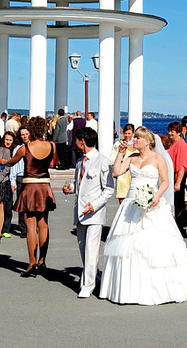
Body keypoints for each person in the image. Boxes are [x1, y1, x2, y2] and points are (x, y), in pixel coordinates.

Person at [99, 127, 187, 305]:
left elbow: (165, 181)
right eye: (134, 138)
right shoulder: (131, 157)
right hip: (132, 203)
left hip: (152, 202)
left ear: (147, 141)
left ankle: (158, 289)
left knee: (154, 245)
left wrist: (157, 196)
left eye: (138, 138)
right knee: (128, 244)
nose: (134, 140)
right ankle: (129, 289)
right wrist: (120, 154)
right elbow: (116, 172)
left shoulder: (158, 158)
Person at [62, 126, 114, 298]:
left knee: (92, 249)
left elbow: (108, 189)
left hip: (95, 213)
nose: (75, 145)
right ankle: (93, 275)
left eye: (76, 141)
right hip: (80, 212)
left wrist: (95, 204)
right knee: (83, 249)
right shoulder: (79, 162)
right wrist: (69, 189)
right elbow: (80, 185)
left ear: (82, 141)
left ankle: (87, 285)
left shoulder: (102, 161)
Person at [1, 116, 56, 277]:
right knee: (43, 224)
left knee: (31, 225)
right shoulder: (52, 146)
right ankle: (42, 260)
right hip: (45, 186)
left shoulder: (25, 148)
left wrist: (4, 160)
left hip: (30, 186)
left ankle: (32, 262)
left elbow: (11, 162)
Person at [166, 121, 187, 228]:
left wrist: (178, 182)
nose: (170, 134)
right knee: (174, 203)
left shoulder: (180, 144)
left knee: (178, 203)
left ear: (179, 132)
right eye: (169, 131)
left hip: (176, 177)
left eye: (173, 132)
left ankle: (180, 226)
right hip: (171, 177)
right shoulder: (173, 143)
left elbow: (181, 166)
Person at [4, 131, 26, 238]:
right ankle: (23, 228)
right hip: (21, 177)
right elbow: (14, 166)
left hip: (32, 177)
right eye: (22, 134)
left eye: (26, 134)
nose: (25, 136)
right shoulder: (19, 149)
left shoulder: (33, 146)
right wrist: (13, 181)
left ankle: (29, 225)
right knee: (21, 203)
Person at [109, 124, 136, 204]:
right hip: (122, 176)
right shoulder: (118, 145)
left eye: (129, 133)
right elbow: (112, 159)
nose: (127, 135)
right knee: (123, 201)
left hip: (133, 175)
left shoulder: (136, 145)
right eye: (125, 133)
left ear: (133, 134)